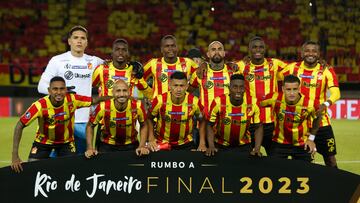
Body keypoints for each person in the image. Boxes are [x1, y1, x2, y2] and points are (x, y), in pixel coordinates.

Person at [11, 76, 110, 173]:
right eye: (55, 89)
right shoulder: (39, 106)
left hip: (66, 143)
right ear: (49, 90)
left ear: (66, 90)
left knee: (71, 172)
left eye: (62, 89)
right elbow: (20, 125)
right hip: (43, 143)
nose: (58, 92)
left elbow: (96, 100)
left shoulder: (72, 99)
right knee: (32, 170)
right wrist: (15, 155)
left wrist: (115, 96)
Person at [37, 25, 104, 154]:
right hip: (59, 120)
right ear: (69, 41)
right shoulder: (57, 61)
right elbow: (41, 86)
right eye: (76, 38)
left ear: (86, 42)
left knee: (82, 159)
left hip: (84, 121)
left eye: (82, 38)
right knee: (55, 162)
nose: (79, 41)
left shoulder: (94, 61)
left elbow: (112, 69)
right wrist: (61, 93)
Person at [281, 41, 341, 167]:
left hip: (321, 123)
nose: (311, 53)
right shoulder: (293, 68)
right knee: (300, 162)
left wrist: (326, 104)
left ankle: (335, 184)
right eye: (307, 50)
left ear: (319, 54)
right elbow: (272, 74)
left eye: (314, 51)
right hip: (298, 123)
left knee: (330, 159)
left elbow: (336, 93)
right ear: (302, 53)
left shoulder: (326, 70)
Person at [235, 36, 287, 155]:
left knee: (275, 160)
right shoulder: (242, 66)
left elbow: (297, 68)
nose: (258, 50)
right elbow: (222, 67)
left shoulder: (274, 64)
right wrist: (202, 64)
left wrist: (319, 63)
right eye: (254, 47)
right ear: (249, 50)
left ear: (265, 49)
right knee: (248, 160)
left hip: (271, 122)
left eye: (261, 47)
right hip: (249, 122)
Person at [261, 75, 321, 162]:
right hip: (279, 143)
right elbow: (255, 104)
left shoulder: (310, 103)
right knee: (275, 173)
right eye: (288, 89)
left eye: (295, 89)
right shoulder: (274, 98)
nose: (292, 93)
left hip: (301, 144)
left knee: (305, 173)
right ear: (283, 89)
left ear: (299, 89)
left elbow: (318, 118)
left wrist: (311, 139)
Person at [85, 80, 149, 157]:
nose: (121, 94)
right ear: (113, 93)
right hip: (107, 146)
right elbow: (90, 126)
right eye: (118, 91)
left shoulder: (137, 106)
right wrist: (90, 148)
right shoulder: (103, 107)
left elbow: (144, 125)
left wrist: (142, 146)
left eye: (124, 91)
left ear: (129, 92)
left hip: (131, 145)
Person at [206, 74, 263, 156]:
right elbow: (209, 125)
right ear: (229, 88)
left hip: (244, 146)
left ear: (245, 89)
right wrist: (211, 146)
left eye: (241, 87)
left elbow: (259, 126)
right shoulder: (218, 102)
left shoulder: (254, 103)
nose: (238, 90)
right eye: (235, 87)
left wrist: (257, 148)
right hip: (221, 145)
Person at [146, 72, 206, 151]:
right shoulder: (159, 100)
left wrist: (202, 143)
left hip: (186, 143)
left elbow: (203, 120)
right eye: (175, 85)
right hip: (162, 142)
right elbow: (148, 118)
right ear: (170, 86)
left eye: (182, 86)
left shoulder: (194, 101)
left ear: (187, 86)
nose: (178, 89)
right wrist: (151, 139)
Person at [189, 41, 236, 115]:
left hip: (227, 121)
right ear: (208, 54)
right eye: (213, 49)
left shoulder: (233, 72)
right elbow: (187, 91)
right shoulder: (199, 72)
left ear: (224, 53)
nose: (217, 52)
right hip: (205, 121)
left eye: (219, 49)